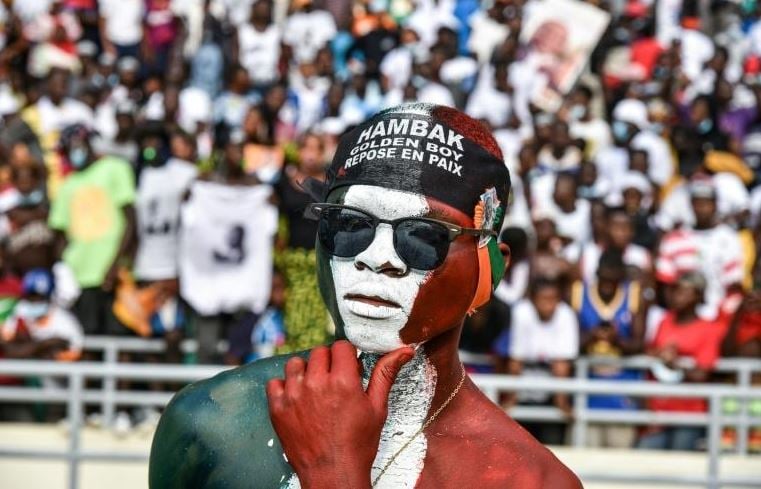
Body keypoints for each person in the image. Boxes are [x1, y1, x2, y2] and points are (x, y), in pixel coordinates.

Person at [150, 104, 581, 488]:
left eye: (423, 237)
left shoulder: (529, 480)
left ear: (491, 269)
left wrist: (334, 476)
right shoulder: (210, 424)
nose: (378, 259)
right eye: (350, 225)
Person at [48, 123, 136, 336]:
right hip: (80, 277)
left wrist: (116, 264)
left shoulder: (115, 168)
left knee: (118, 337)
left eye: (77, 145)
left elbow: (131, 222)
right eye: (68, 148)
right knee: (88, 338)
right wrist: (61, 270)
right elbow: (60, 234)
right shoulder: (67, 184)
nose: (74, 152)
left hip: (113, 274)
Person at [638, 271, 727, 451]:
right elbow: (651, 354)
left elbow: (702, 374)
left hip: (688, 414)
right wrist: (657, 354)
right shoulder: (665, 321)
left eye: (684, 292)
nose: (677, 296)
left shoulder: (708, 329)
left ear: (698, 296)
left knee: (681, 470)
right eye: (675, 290)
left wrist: (675, 363)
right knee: (645, 463)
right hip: (658, 412)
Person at [571, 249, 645, 448]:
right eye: (604, 279)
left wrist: (617, 340)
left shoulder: (633, 294)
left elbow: (640, 344)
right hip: (587, 391)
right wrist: (592, 336)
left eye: (613, 281)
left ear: (621, 277)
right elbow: (569, 342)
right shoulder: (579, 292)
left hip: (621, 392)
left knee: (620, 456)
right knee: (583, 456)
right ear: (597, 273)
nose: (607, 286)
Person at [506, 277, 579, 444]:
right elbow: (516, 360)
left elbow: (563, 364)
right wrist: (512, 398)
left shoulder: (566, 315)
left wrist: (561, 400)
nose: (549, 305)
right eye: (544, 300)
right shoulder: (522, 312)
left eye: (553, 300)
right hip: (525, 388)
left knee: (551, 445)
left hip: (552, 392)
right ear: (533, 300)